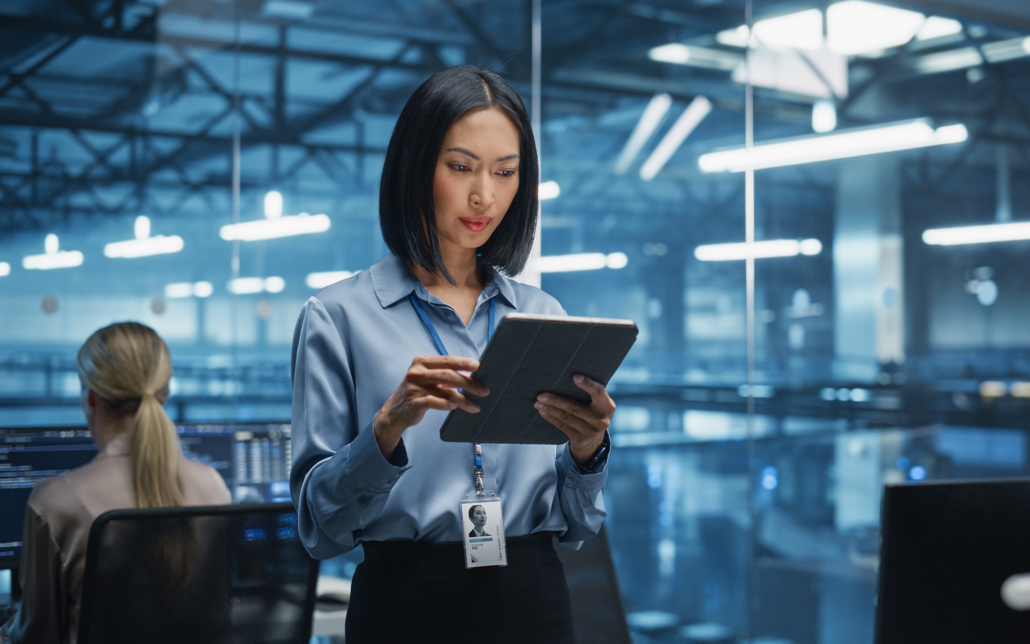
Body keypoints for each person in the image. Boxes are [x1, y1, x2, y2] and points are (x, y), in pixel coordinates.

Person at [291, 65, 615, 644]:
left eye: (506, 172)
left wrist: (589, 451)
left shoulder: (543, 317)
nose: (484, 196)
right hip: (406, 603)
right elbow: (320, 529)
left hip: (534, 597)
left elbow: (578, 525)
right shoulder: (337, 317)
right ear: (416, 168)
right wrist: (385, 430)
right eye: (461, 167)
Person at [0, 322, 231, 644]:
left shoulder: (54, 502)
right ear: (163, 398)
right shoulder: (213, 486)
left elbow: (37, 635)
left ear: (91, 399)